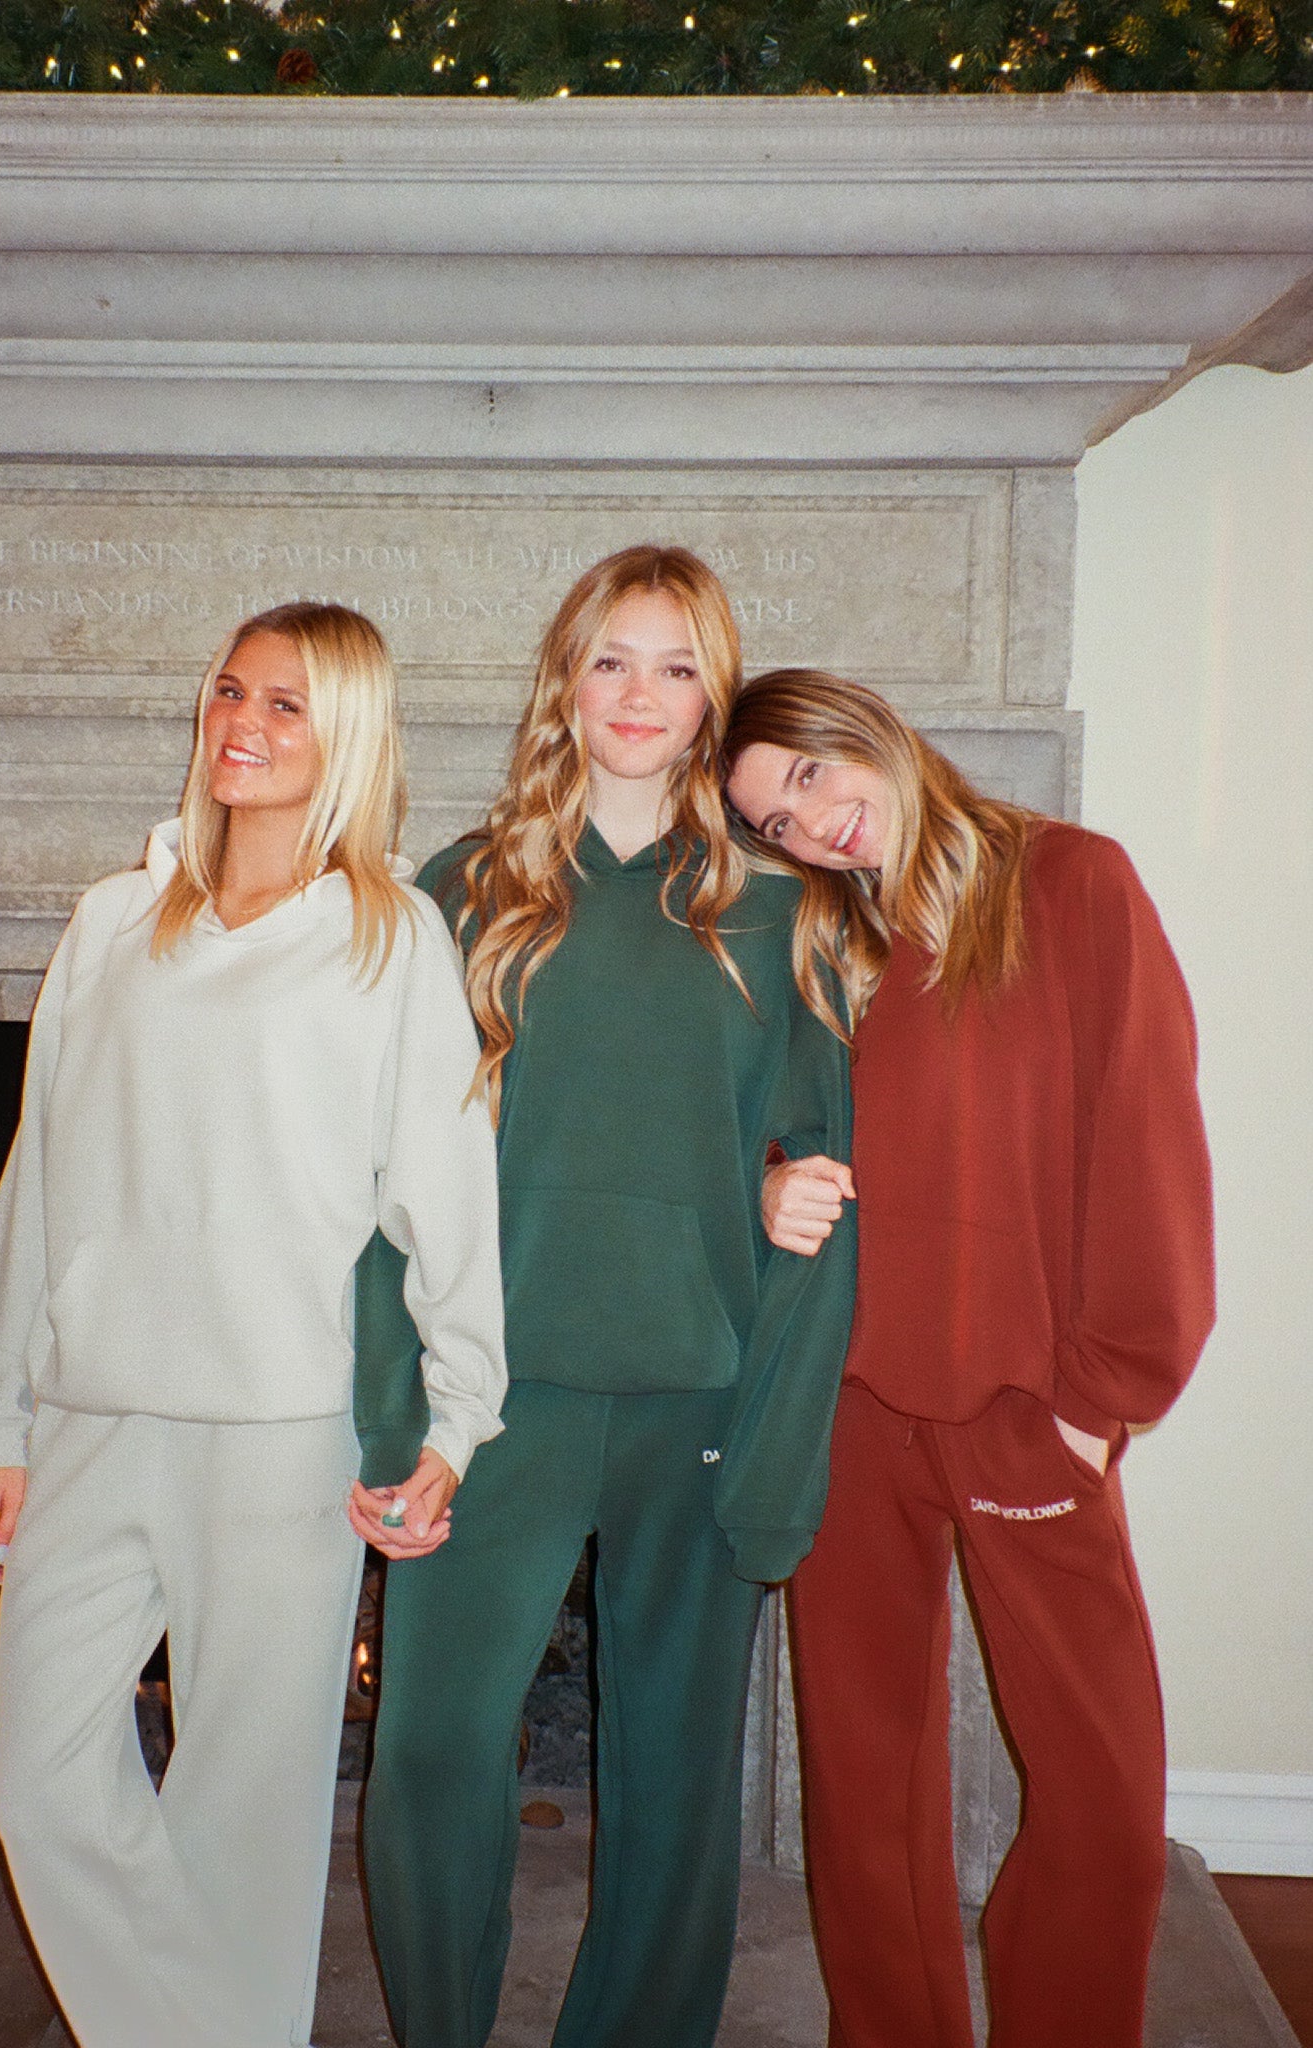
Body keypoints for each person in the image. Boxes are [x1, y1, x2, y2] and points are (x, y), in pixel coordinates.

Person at [0, 602, 507, 2048]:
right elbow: (42, 1175)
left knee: (243, 1825)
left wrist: (455, 1424)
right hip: (88, 1420)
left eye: (289, 705)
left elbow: (447, 1208)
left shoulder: (391, 942)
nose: (243, 724)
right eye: (229, 691)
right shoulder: (112, 921)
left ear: (350, 739)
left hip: (283, 1436)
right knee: (45, 1793)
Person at [352, 547, 856, 2048]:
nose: (640, 695)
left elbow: (821, 1186)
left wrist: (777, 1425)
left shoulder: (785, 911)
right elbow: (379, 1190)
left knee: (675, 1775)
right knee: (432, 1757)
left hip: (695, 1398)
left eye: (678, 665)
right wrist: (394, 1422)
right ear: (565, 682)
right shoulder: (456, 892)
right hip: (490, 1405)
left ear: (713, 699)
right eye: (611, 660)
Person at [722, 667, 1215, 2048]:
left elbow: (1146, 1142)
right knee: (864, 1792)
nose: (807, 826)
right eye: (770, 820)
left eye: (808, 777)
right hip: (846, 1409)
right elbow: (740, 1128)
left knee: (1101, 1807)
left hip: (1023, 1409)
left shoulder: (1068, 886)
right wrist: (764, 1185)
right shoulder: (814, 946)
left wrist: (1101, 1397)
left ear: (860, 731)